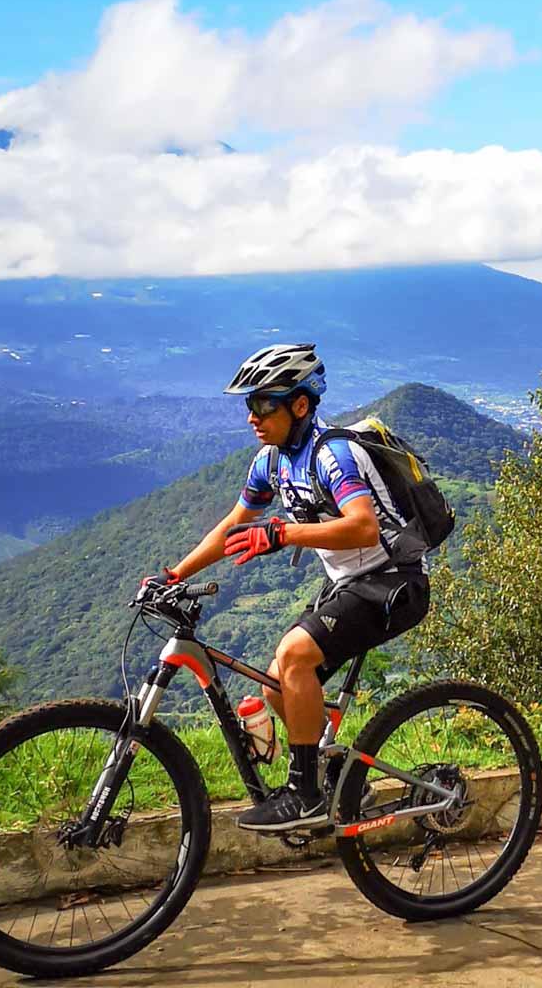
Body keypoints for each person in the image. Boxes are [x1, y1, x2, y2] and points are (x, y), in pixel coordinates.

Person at [146, 343, 430, 832]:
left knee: (294, 654)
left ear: (300, 405)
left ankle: (305, 795)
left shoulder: (332, 455)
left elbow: (362, 528)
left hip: (392, 583)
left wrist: (283, 532)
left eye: (263, 405)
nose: (253, 416)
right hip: (350, 583)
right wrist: (175, 574)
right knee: (276, 677)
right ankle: (339, 772)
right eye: (248, 405)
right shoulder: (272, 461)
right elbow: (235, 523)